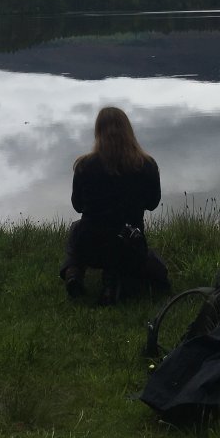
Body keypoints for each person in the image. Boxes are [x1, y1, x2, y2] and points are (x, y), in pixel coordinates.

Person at [60, 106, 169, 305]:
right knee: (158, 269)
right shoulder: (147, 165)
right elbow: (153, 203)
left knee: (77, 229)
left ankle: (73, 274)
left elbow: (77, 206)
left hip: (91, 245)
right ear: (128, 130)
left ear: (98, 132)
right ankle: (113, 281)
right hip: (129, 245)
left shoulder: (84, 166)